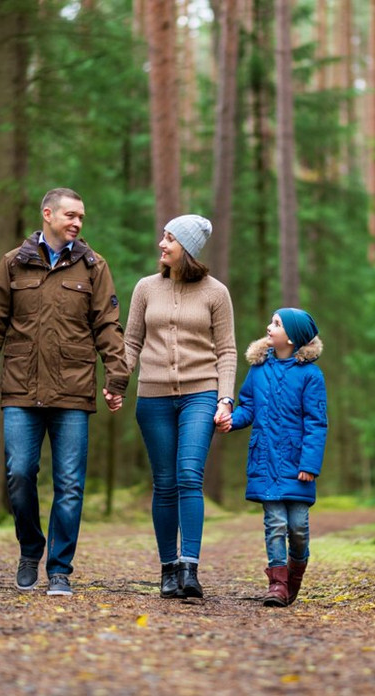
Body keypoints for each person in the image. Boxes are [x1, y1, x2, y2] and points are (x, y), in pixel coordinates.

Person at [0, 187, 129, 597]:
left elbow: (108, 328)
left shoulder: (94, 266)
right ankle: (30, 550)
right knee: (19, 473)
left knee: (71, 484)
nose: (77, 223)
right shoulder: (13, 264)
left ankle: (59, 569)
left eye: (82, 217)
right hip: (21, 388)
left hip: (73, 390)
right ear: (48, 214)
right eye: (71, 215)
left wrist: (116, 378)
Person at [112, 214, 237, 599]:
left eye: (169, 238)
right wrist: (118, 381)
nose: (161, 244)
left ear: (187, 248)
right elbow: (130, 342)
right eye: (163, 237)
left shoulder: (217, 293)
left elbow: (227, 350)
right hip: (152, 396)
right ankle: (168, 568)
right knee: (164, 483)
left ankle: (190, 567)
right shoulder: (146, 288)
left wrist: (225, 398)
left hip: (201, 393)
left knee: (188, 476)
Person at [218, 308, 328, 607]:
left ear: (291, 338)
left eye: (276, 324)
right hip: (265, 458)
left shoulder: (310, 376)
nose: (269, 326)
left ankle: (294, 577)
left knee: (299, 528)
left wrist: (309, 464)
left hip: (297, 465)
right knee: (275, 522)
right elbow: (248, 406)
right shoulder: (258, 369)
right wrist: (232, 420)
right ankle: (277, 584)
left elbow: (317, 423)